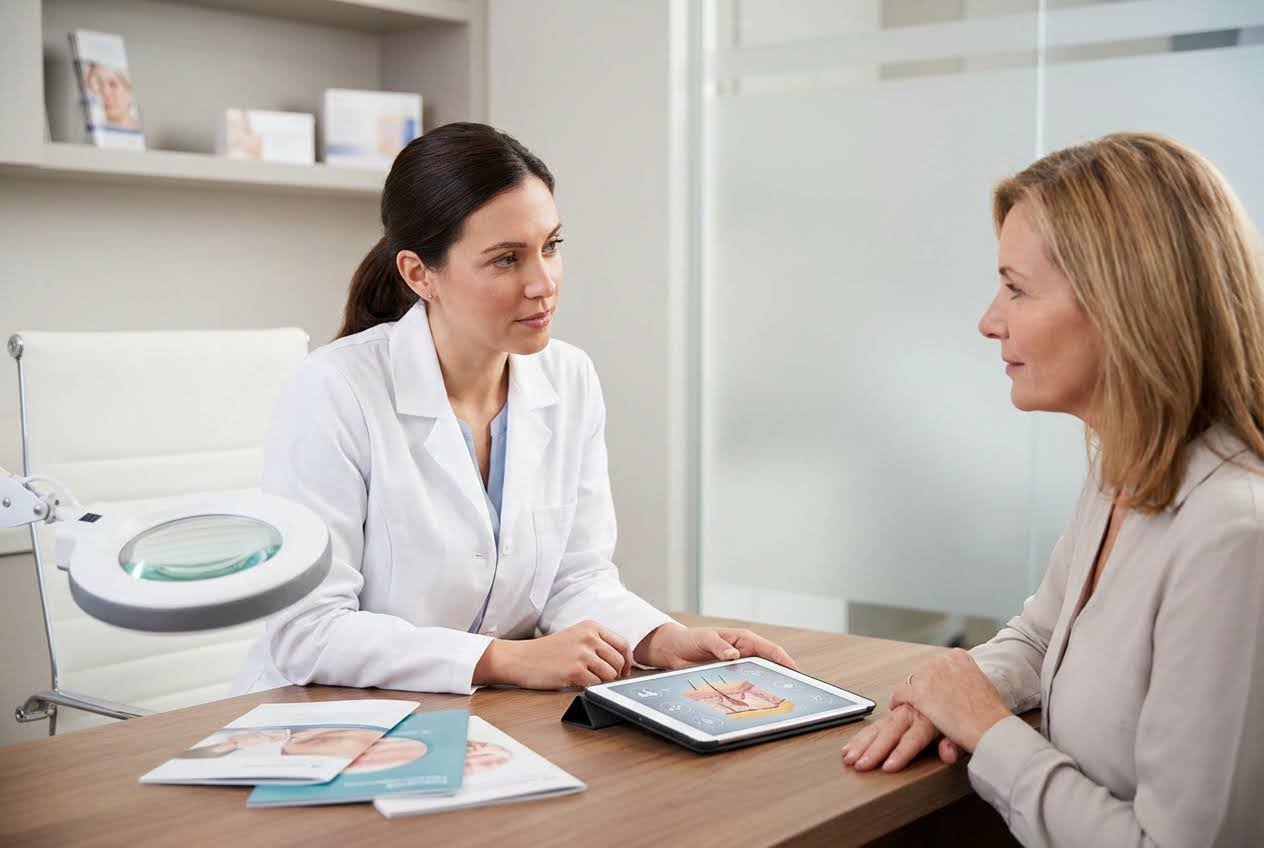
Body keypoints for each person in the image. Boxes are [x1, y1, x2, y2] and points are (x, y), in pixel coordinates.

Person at [235, 122, 794, 696]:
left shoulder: (569, 378)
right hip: (327, 725)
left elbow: (574, 579)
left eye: (550, 246)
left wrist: (660, 639)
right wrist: (500, 660)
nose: (542, 283)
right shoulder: (334, 390)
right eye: (506, 259)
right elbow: (306, 632)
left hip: (484, 722)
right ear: (419, 273)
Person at [841, 133, 1264, 846]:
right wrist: (951, 694)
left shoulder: (1233, 537)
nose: (989, 320)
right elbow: (1043, 634)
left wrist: (987, 729)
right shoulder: (1124, 467)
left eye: (1016, 288)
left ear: (1123, 304)